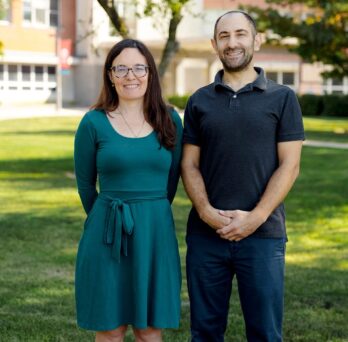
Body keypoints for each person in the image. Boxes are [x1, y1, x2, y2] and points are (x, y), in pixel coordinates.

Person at [181, 10, 304, 342]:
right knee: (204, 333)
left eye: (240, 34)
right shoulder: (199, 101)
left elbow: (289, 166)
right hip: (207, 236)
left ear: (256, 40)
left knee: (265, 333)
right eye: (224, 36)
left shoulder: (283, 98)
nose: (232, 42)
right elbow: (189, 165)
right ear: (214, 44)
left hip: (263, 237)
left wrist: (256, 217)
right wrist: (206, 213)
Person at [74, 38, 182, 342]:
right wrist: (105, 219)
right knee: (110, 329)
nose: (130, 76)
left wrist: (149, 210)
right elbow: (85, 185)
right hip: (107, 231)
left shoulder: (170, 120)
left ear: (149, 73)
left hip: (155, 232)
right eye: (121, 68)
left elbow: (173, 179)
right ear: (110, 74)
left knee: (149, 329)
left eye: (138, 68)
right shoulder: (93, 123)